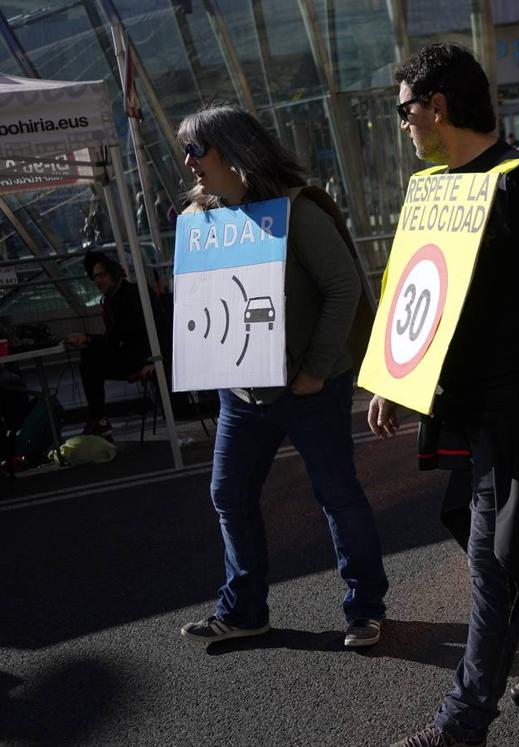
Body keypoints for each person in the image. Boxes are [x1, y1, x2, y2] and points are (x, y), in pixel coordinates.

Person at [372, 43, 519, 747]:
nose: (403, 125)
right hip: (467, 406)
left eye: (404, 110)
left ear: (437, 107)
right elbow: (424, 291)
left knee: (495, 562)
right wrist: (394, 377)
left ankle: (461, 724)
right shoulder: (442, 187)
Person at [175, 104, 389, 649]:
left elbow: (344, 288)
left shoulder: (298, 211)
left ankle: (365, 609)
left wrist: (317, 370)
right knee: (229, 494)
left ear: (231, 149)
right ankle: (244, 609)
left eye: (196, 150)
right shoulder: (207, 222)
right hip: (244, 391)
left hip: (311, 387)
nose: (188, 162)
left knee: (338, 495)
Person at [64, 251, 161, 439]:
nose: (98, 281)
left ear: (113, 274)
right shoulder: (113, 298)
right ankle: (98, 419)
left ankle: (98, 420)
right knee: (89, 358)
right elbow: (114, 340)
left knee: (89, 361)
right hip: (132, 354)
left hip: (143, 357)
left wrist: (153, 359)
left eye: (102, 275)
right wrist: (88, 339)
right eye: (95, 277)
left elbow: (153, 327)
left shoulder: (131, 295)